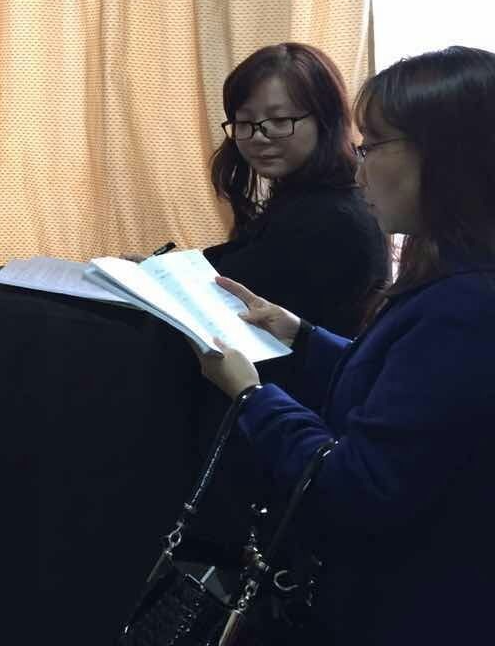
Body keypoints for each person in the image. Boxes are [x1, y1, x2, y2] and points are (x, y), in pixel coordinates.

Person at [199, 45, 495, 644]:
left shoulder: (467, 305)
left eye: (374, 146)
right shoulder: (451, 273)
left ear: (445, 156)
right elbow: (405, 389)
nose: (359, 172)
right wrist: (304, 337)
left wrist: (253, 398)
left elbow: (354, 487)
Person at [203, 43, 388, 338]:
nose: (258, 136)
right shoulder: (305, 197)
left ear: (325, 120)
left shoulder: (328, 217)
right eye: (244, 122)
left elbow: (230, 292)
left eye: (279, 121)